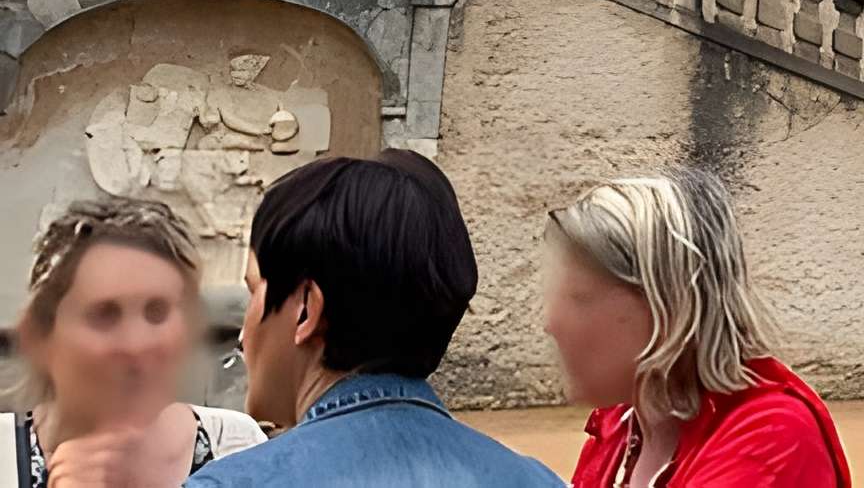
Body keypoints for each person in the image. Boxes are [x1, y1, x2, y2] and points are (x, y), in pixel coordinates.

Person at [194, 150, 560, 483]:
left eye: (254, 290)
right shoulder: (536, 480)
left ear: (306, 309)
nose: (243, 335)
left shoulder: (233, 483)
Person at [546, 172, 848, 488]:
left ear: (670, 306)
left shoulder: (770, 436)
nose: (551, 324)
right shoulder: (624, 424)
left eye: (581, 299)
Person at [10, 197, 263, 485]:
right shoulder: (5, 454)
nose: (136, 343)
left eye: (157, 312)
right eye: (104, 313)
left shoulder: (237, 447)